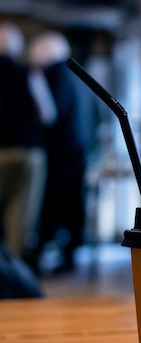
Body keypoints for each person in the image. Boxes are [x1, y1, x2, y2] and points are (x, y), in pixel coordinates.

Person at [28, 31, 94, 274]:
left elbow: (49, 115)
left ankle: (46, 254)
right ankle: (69, 254)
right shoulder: (76, 74)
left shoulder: (54, 75)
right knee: (72, 202)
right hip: (78, 147)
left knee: (54, 202)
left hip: (60, 150)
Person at [0, 22, 47, 266]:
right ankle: (12, 278)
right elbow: (48, 113)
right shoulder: (28, 72)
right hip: (27, 153)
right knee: (19, 224)